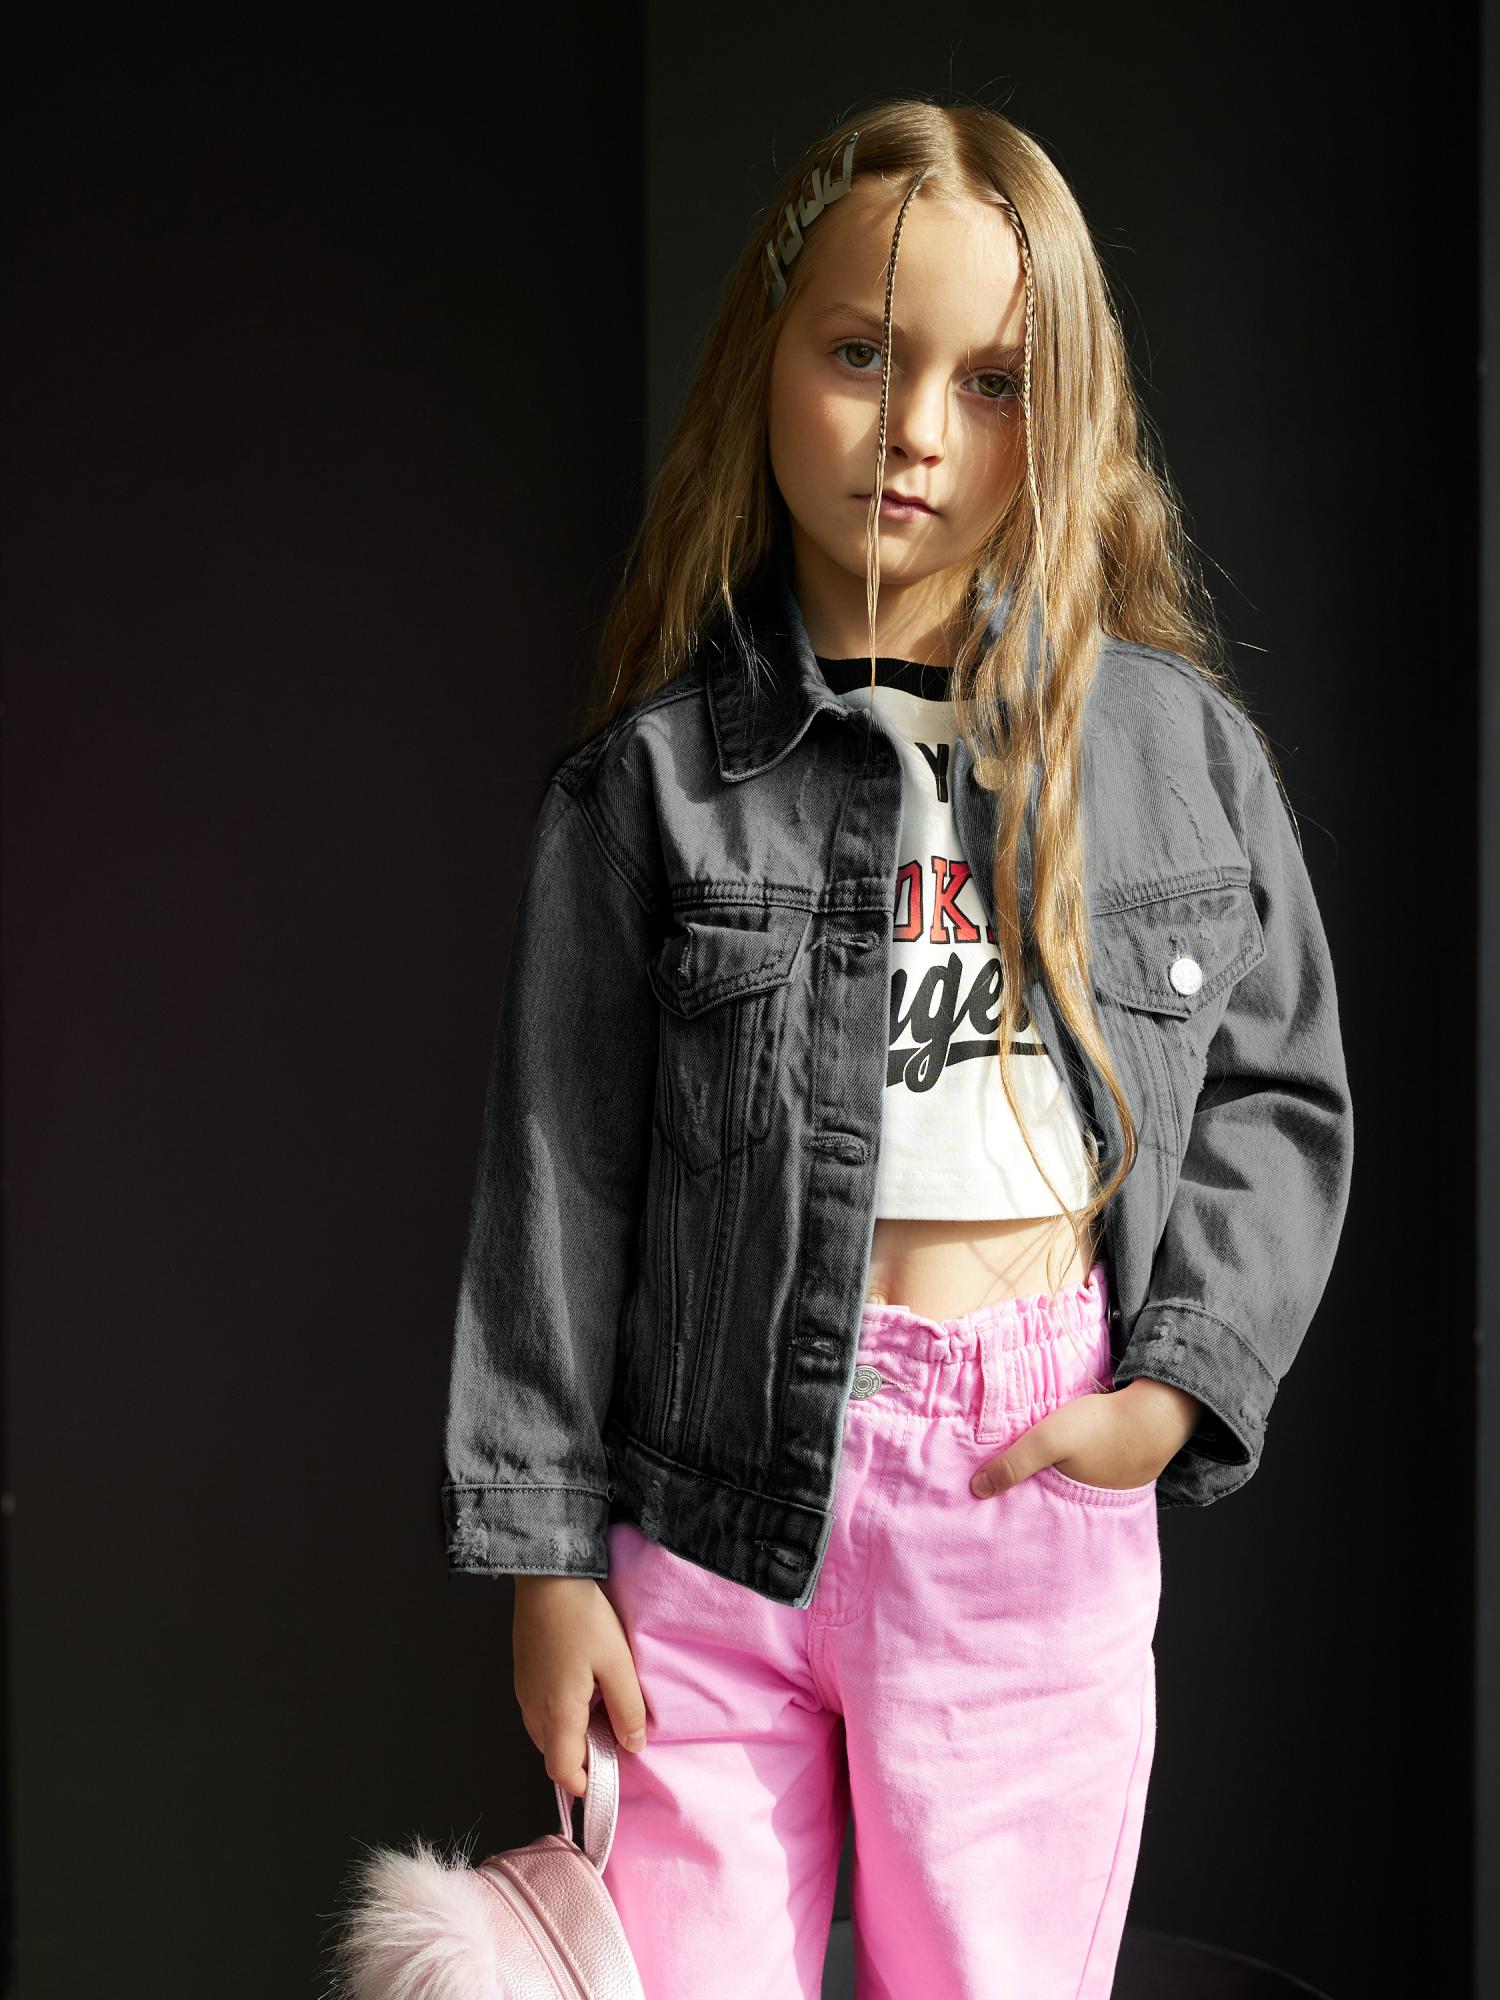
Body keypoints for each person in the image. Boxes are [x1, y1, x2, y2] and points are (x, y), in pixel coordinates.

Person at [440, 97, 1354, 2000]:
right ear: (764, 367)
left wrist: (1174, 1390)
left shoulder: (1173, 759)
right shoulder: (651, 785)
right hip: (707, 1499)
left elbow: (1281, 1089)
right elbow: (561, 1171)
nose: (916, 427)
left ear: (1065, 414)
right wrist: (544, 1559)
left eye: (991, 381)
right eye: (862, 353)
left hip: (1026, 1487)